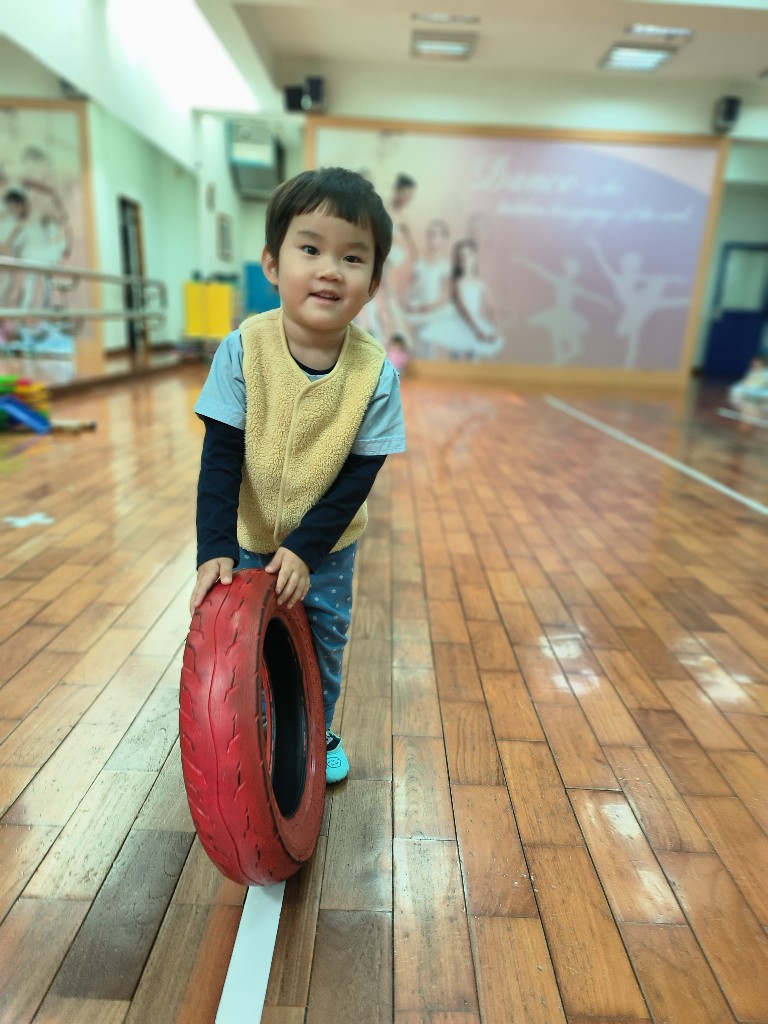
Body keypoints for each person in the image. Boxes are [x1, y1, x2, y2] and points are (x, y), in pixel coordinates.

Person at [189, 167, 406, 784]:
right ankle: (252, 724)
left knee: (322, 638)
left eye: (352, 257)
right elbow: (220, 456)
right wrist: (213, 547)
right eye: (310, 249)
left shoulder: (375, 374)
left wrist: (307, 549)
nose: (330, 270)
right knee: (243, 638)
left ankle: (318, 726)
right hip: (249, 533)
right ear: (272, 263)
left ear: (373, 283)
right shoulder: (242, 349)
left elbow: (360, 475)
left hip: (327, 546)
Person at [729, 353, 768, 432]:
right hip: (748, 398)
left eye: (757, 362)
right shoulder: (752, 372)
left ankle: (747, 428)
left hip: (758, 399)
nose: (755, 364)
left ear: (762, 363)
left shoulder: (765, 374)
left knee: (751, 415)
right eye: (754, 362)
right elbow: (744, 384)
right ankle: (745, 428)